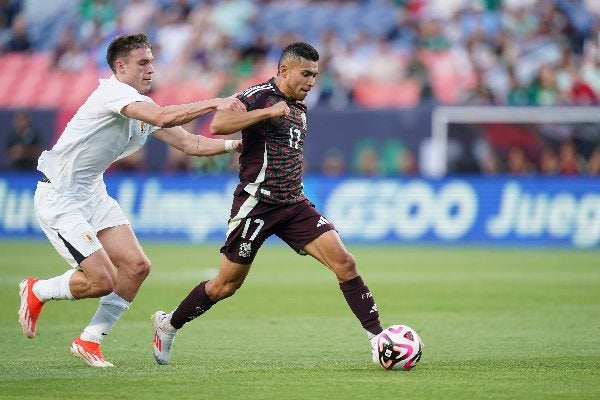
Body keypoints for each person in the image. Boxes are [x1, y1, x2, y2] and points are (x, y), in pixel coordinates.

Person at [18, 32, 244, 368]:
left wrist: (236, 145)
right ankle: (37, 291)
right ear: (120, 66)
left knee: (137, 267)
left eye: (152, 61)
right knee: (101, 279)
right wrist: (215, 102)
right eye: (143, 62)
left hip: (92, 191)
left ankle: (89, 341)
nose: (151, 68)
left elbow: (192, 145)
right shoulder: (114, 93)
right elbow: (163, 118)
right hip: (60, 196)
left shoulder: (142, 104)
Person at [151, 42, 384, 366]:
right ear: (284, 70)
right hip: (256, 204)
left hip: (294, 203)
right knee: (225, 286)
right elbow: (218, 125)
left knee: (344, 262)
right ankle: (168, 323)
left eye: (315, 75)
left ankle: (378, 340)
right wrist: (267, 113)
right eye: (306, 73)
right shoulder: (258, 97)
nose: (311, 81)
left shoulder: (299, 107)